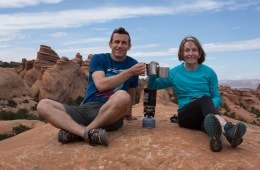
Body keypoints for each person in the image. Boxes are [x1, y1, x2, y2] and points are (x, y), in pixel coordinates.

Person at [37, 27, 146, 146]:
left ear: (129, 46)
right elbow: (101, 85)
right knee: (43, 105)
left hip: (111, 113)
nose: (120, 45)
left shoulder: (133, 64)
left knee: (122, 96)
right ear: (110, 44)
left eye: (124, 42)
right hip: (87, 109)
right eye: (116, 42)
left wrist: (128, 115)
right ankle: (86, 133)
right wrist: (129, 72)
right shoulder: (99, 59)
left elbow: (131, 91)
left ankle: (78, 132)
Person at [148, 36, 247, 152]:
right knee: (205, 99)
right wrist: (152, 71)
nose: (191, 53)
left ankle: (215, 139)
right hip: (186, 116)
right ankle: (228, 128)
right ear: (181, 54)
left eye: (194, 50)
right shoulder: (174, 73)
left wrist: (206, 104)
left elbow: (216, 96)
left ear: (200, 53)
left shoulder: (209, 72)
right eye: (187, 50)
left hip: (204, 115)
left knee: (210, 122)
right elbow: (153, 86)